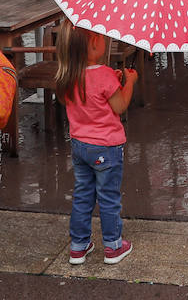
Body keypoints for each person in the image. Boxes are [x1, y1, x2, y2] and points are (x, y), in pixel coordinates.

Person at [52, 20, 136, 265]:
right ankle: (113, 246)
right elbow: (119, 106)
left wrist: (113, 81)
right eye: (99, 36)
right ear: (93, 44)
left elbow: (90, 97)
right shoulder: (105, 75)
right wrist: (129, 83)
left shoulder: (67, 76)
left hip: (80, 147)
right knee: (108, 197)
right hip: (106, 148)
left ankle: (78, 246)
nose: (103, 38)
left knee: (83, 195)